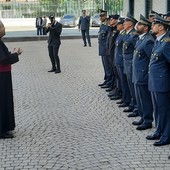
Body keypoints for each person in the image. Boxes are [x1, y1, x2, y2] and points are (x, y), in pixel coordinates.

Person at [146, 14, 170, 146]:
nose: (152, 26)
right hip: (154, 81)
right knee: (157, 109)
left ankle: (166, 135)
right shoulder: (158, 40)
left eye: (154, 24)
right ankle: (159, 131)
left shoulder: (167, 43)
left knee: (164, 110)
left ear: (161, 27)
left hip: (162, 82)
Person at [0, 20, 23, 139]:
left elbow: (4, 55)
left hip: (3, 75)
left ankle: (5, 128)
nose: (4, 29)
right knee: (3, 102)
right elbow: (3, 60)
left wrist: (12, 53)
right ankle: (1, 130)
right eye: (2, 27)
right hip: (2, 77)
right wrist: (16, 54)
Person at [132, 14, 154, 130]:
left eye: (140, 24)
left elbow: (152, 59)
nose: (137, 26)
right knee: (139, 97)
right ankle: (142, 117)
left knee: (145, 98)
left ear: (146, 28)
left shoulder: (148, 40)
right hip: (137, 74)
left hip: (143, 74)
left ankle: (147, 120)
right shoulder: (141, 38)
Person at [122, 12, 139, 117]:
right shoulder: (127, 33)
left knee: (133, 87)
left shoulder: (133, 35)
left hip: (131, 64)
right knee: (129, 86)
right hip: (126, 62)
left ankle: (136, 107)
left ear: (131, 23)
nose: (124, 23)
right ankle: (133, 104)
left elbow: (135, 50)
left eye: (126, 21)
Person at [98, 10, 112, 89]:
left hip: (106, 50)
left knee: (108, 67)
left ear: (106, 16)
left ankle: (109, 82)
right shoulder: (102, 25)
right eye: (100, 16)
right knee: (105, 66)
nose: (100, 17)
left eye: (102, 16)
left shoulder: (107, 26)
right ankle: (106, 80)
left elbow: (109, 39)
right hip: (102, 49)